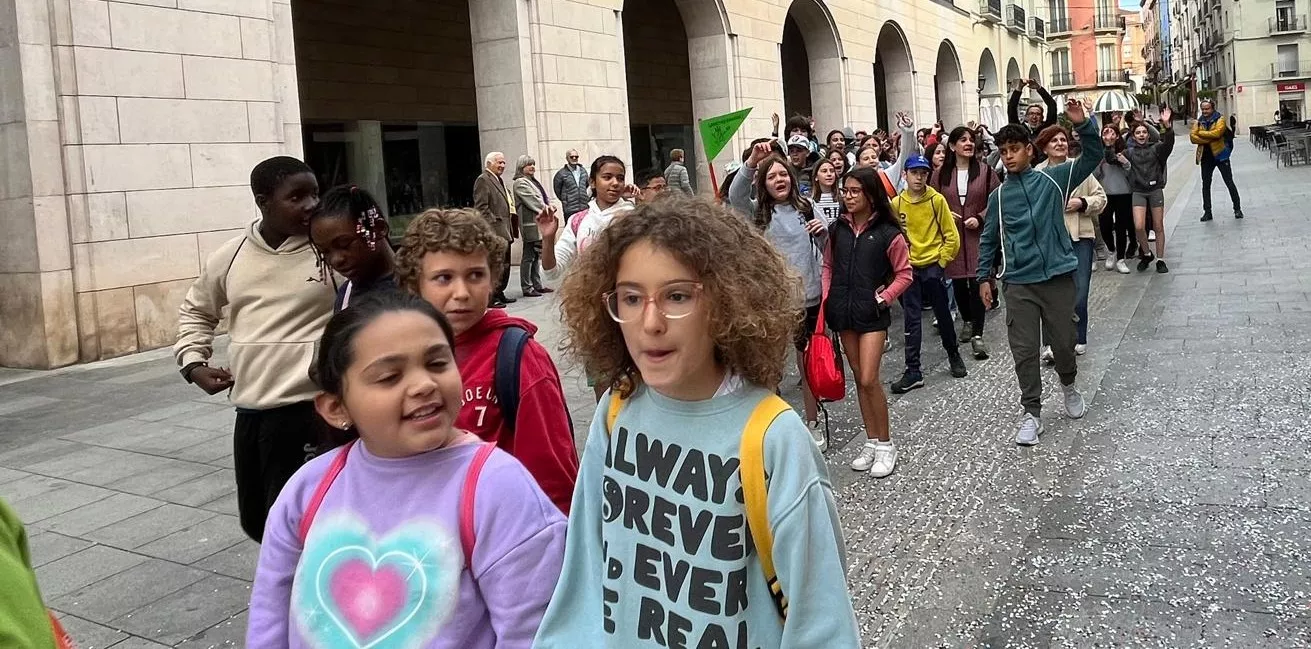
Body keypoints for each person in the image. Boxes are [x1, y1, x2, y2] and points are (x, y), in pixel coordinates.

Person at [534, 195, 861, 648]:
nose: (650, 322)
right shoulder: (617, 409)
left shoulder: (772, 437)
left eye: (677, 296)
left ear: (727, 301)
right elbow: (584, 578)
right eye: (630, 298)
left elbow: (822, 624)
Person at [246, 291, 566, 648]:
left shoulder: (498, 488)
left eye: (437, 363)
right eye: (389, 376)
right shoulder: (307, 490)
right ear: (336, 408)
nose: (424, 385)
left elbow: (537, 633)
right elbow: (268, 619)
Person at [176, 156, 334, 543]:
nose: (311, 205)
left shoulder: (330, 250)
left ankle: (316, 596)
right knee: (259, 522)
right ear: (264, 202)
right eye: (296, 197)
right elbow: (196, 310)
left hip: (313, 410)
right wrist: (194, 362)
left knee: (311, 524)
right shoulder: (230, 256)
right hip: (252, 412)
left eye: (314, 193)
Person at [397, 208, 579, 512]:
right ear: (416, 284)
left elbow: (553, 481)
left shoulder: (519, 358)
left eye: (475, 275)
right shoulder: (402, 355)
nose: (462, 293)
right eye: (443, 278)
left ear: (493, 278)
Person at [977, 99, 1101, 446]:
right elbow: (988, 238)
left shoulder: (1054, 179)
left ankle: (1069, 386)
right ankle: (1031, 413)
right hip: (1018, 284)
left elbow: (1092, 156)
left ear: (1030, 151)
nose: (1008, 156)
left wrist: (1083, 124)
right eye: (1003, 151)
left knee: (1064, 344)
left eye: (1014, 149)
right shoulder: (1000, 196)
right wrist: (984, 278)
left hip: (1058, 277)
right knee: (1024, 351)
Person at [730, 142, 828, 447]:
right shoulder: (757, 213)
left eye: (782, 174)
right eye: (771, 177)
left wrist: (823, 232)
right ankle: (773, 429)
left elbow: (826, 250)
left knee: (807, 363)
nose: (778, 180)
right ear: (764, 184)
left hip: (809, 297)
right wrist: (752, 162)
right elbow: (734, 195)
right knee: (771, 365)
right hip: (773, 302)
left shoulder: (807, 206)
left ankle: (812, 422)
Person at [824, 166, 913, 476]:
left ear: (870, 194)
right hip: (843, 311)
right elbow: (828, 265)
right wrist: (827, 299)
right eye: (844, 191)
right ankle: (872, 441)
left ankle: (887, 444)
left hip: (872, 314)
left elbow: (905, 273)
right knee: (858, 377)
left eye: (854, 191)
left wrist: (884, 298)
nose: (848, 196)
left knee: (868, 378)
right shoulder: (838, 230)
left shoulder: (889, 233)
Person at [540, 155, 637, 400]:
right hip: (594, 316)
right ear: (592, 182)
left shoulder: (634, 216)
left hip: (632, 311)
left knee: (636, 380)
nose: (614, 183)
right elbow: (551, 272)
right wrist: (548, 238)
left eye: (620, 178)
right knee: (602, 385)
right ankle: (607, 433)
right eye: (607, 177)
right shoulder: (578, 221)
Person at [889, 154, 965, 393]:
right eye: (914, 173)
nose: (919, 178)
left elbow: (951, 235)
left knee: (943, 313)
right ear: (905, 175)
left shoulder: (937, 200)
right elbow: (892, 237)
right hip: (909, 268)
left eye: (923, 173)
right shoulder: (896, 205)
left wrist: (941, 262)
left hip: (932, 265)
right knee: (911, 319)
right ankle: (913, 369)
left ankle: (953, 354)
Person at [1034, 125, 1106, 360]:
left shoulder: (1080, 167)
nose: (1059, 143)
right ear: (1044, 147)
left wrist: (1082, 203)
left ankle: (1078, 336)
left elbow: (1101, 198)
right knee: (1050, 293)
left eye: (1063, 139)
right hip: (1050, 240)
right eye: (1053, 140)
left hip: (1079, 237)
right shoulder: (1038, 173)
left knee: (1079, 291)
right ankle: (1052, 344)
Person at [933, 126, 1001, 360]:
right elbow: (932, 200)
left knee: (978, 279)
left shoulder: (986, 171)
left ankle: (978, 334)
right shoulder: (941, 173)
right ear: (952, 146)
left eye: (971, 140)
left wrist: (980, 217)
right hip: (952, 236)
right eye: (962, 140)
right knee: (959, 282)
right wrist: (944, 214)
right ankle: (968, 320)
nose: (968, 144)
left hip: (978, 235)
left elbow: (997, 199)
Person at [310, 185, 397, 313]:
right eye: (325, 252)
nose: (335, 260)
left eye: (344, 244)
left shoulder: (418, 285)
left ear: (378, 229)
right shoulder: (346, 294)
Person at [1125, 107, 1176, 273]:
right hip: (1138, 191)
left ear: (1148, 135)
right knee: (1139, 226)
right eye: (1138, 132)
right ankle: (1147, 253)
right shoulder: (1129, 152)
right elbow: (1111, 152)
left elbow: (1169, 143)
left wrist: (1167, 126)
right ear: (1133, 136)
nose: (1141, 135)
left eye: (1144, 132)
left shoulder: (1156, 149)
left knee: (1158, 226)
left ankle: (1160, 259)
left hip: (1155, 191)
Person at [472, 152, 519, 308]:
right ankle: (491, 297)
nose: (502, 166)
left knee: (505, 264)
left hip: (506, 230)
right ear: (489, 163)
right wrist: (493, 224)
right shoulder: (483, 180)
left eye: (504, 163)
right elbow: (481, 207)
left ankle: (500, 292)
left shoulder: (499, 180)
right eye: (499, 163)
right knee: (495, 264)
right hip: (495, 231)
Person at [1191, 99, 1243, 221]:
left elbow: (1217, 134)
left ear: (1212, 108)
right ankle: (1207, 212)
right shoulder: (1199, 121)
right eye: (1203, 109)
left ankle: (1237, 209)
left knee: (1229, 182)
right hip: (1205, 157)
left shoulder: (1220, 119)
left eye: (1207, 108)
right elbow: (1193, 138)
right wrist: (1208, 138)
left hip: (1220, 155)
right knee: (1206, 185)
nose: (1204, 111)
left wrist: (1201, 133)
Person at [1095, 126, 1135, 274]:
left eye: (1112, 132)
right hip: (1105, 193)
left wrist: (1125, 163)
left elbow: (1131, 173)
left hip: (1124, 193)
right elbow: (1094, 175)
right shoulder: (1099, 153)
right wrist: (1099, 163)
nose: (1109, 135)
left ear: (1118, 136)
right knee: (1105, 225)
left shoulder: (1124, 152)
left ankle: (1120, 259)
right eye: (1105, 132)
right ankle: (1111, 250)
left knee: (1121, 227)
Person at [512, 155, 554, 298]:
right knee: (529, 255)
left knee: (535, 255)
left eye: (533, 164)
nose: (532, 167)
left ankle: (537, 284)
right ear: (521, 167)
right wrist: (547, 209)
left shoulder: (532, 181)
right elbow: (533, 200)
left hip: (537, 223)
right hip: (529, 224)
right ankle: (527, 287)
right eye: (528, 165)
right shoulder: (520, 183)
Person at [553, 149, 589, 217]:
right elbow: (557, 190)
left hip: (584, 207)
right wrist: (566, 200)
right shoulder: (561, 173)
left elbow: (586, 185)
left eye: (576, 156)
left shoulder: (583, 171)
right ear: (567, 158)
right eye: (572, 157)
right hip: (570, 209)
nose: (574, 158)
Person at [811, 157, 841, 224]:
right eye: (824, 171)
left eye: (832, 171)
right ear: (816, 177)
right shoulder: (810, 200)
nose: (829, 174)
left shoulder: (842, 197)